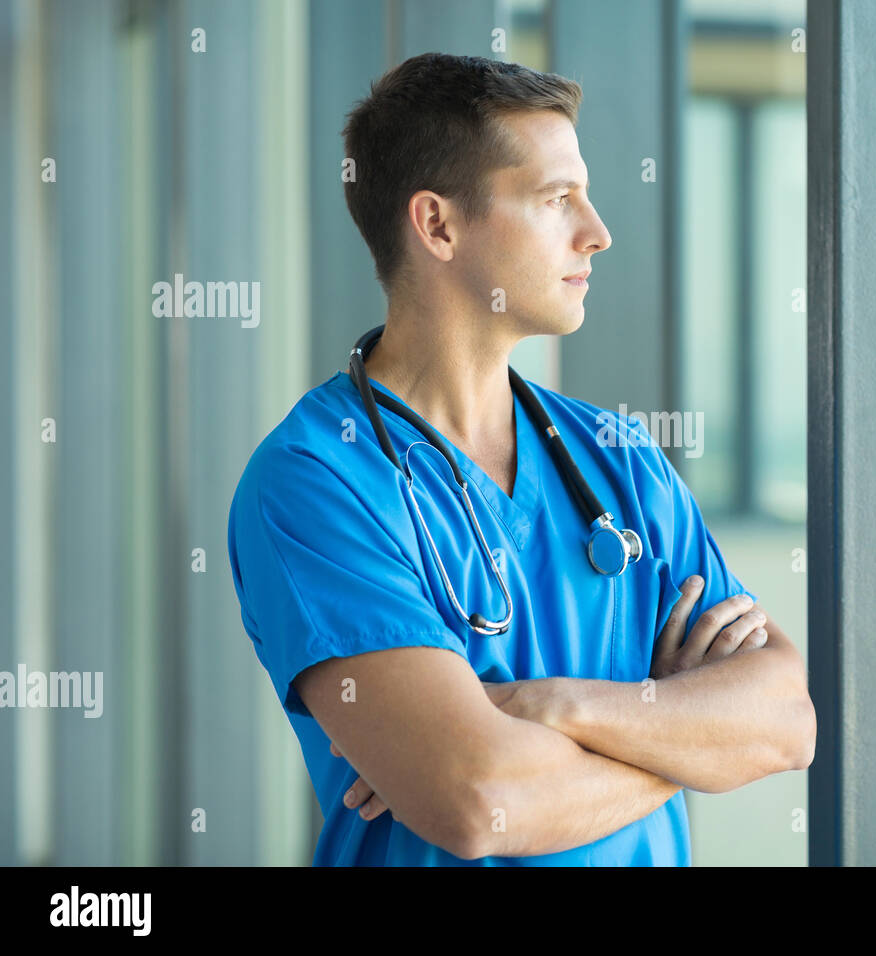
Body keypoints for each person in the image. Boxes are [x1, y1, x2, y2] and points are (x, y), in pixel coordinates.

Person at [226, 52, 815, 866]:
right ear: (437, 224)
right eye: (555, 199)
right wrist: (685, 739)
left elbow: (785, 721)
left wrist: (546, 707)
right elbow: (480, 800)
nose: (596, 232)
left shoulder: (619, 458)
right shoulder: (318, 482)